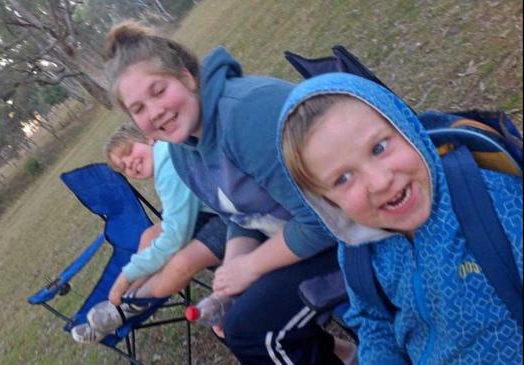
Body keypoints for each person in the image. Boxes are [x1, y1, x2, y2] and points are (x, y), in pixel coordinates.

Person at [103, 21, 350, 364]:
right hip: (305, 232)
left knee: (253, 330)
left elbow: (325, 218)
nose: (154, 112)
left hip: (359, 223)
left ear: (187, 77)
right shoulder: (182, 149)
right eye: (138, 108)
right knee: (235, 321)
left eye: (158, 91)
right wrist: (233, 267)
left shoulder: (245, 116)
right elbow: (237, 215)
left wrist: (250, 266)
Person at [279, 72, 523, 364]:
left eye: (379, 148)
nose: (380, 181)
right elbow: (374, 321)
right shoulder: (358, 252)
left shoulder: (491, 200)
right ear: (328, 202)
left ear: (407, 129)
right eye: (343, 178)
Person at [71, 123, 227, 343]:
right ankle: (124, 305)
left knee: (180, 263)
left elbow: (175, 236)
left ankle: (133, 302)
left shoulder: (167, 161)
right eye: (123, 168)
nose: (130, 165)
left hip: (229, 216)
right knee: (149, 235)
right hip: (210, 210)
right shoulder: (164, 156)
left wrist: (125, 277)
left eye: (128, 152)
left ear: (148, 138)